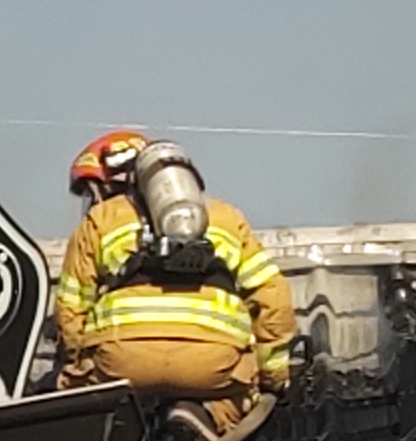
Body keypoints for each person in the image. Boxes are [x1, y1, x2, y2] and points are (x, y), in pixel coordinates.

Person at [51, 129, 298, 401]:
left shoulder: (99, 221)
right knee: (241, 397)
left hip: (121, 365)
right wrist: (273, 376)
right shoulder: (227, 218)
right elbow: (273, 297)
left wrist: (76, 366)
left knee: (79, 403)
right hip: (213, 364)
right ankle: (208, 418)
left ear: (108, 185)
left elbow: (71, 307)